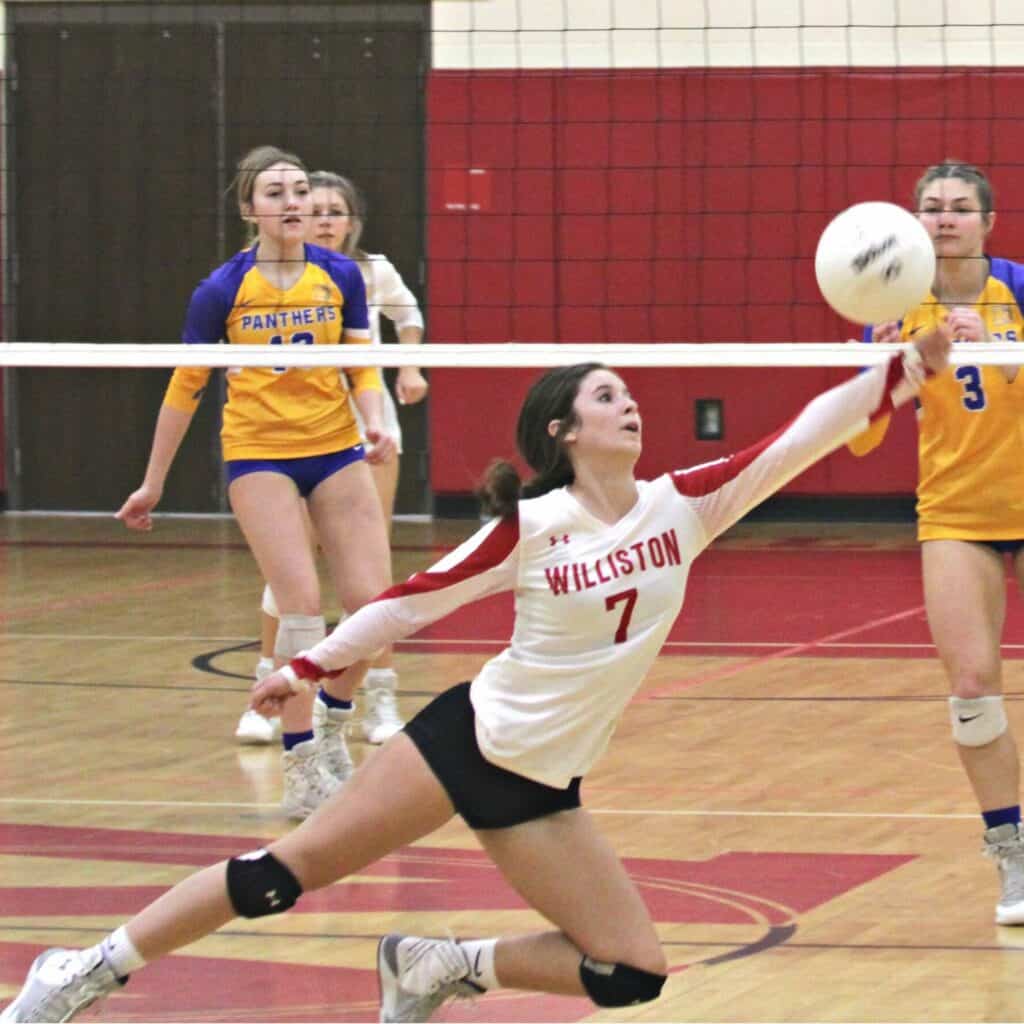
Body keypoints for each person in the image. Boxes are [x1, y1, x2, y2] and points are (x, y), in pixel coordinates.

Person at [1, 335, 951, 1024]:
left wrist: (898, 375)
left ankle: (439, 964)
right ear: (563, 429)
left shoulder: (684, 509)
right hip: (466, 744)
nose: (630, 406)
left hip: (543, 786)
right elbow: (411, 602)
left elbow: (802, 438)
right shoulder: (531, 526)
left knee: (631, 973)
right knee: (276, 880)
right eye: (608, 395)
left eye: (628, 394)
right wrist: (304, 664)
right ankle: (84, 969)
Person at [115, 145, 397, 819]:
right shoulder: (220, 290)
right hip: (260, 453)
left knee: (373, 606)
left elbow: (359, 363)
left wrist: (376, 420)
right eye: (276, 193)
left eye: (300, 190)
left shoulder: (340, 276)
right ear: (250, 209)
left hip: (335, 449)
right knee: (299, 609)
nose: (294, 202)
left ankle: (331, 726)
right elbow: (186, 388)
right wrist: (152, 483)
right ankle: (302, 764)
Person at [847, 159, 1024, 925]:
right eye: (931, 207)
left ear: (988, 222)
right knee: (974, 688)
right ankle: (1014, 858)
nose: (945, 219)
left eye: (959, 208)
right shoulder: (889, 308)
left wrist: (993, 351)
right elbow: (858, 442)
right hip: (958, 512)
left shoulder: (1016, 288)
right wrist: (897, 372)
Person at [235, 171, 426, 747]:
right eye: (313, 209)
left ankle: (377, 700)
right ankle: (267, 690)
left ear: (352, 220)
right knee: (291, 573)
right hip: (287, 438)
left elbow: (409, 318)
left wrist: (411, 367)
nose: (323, 219)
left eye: (334, 210)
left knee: (371, 577)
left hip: (365, 433)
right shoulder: (260, 273)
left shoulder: (370, 271)